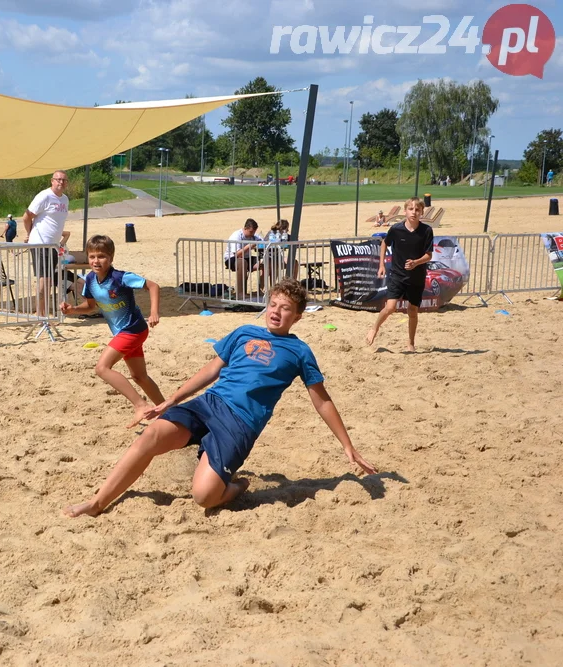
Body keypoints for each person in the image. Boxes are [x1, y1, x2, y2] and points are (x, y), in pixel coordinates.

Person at [64, 278, 377, 518]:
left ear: (297, 317)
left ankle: (236, 484)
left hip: (240, 424)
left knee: (205, 497)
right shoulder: (243, 333)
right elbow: (211, 369)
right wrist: (172, 400)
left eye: (285, 309)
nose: (277, 312)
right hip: (209, 404)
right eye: (274, 304)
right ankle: (97, 501)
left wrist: (347, 445)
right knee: (151, 435)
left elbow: (321, 400)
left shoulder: (299, 352)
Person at [61, 235, 163, 426]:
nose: (96, 261)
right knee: (139, 376)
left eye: (101, 256)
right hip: (124, 332)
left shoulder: (121, 277)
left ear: (111, 258)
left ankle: (140, 405)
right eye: (92, 257)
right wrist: (73, 309)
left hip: (132, 329)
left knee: (102, 368)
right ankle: (168, 410)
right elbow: (90, 306)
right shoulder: (90, 279)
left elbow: (153, 286)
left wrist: (154, 312)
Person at [365, 196, 434, 353]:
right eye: (411, 209)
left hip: (416, 277)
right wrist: (381, 265)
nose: (414, 212)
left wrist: (416, 262)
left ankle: (410, 343)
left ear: (422, 212)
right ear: (405, 211)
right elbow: (384, 243)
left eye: (417, 209)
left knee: (413, 311)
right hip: (397, 274)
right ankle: (374, 328)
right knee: (390, 308)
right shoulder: (396, 229)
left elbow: (429, 255)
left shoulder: (426, 231)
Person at [23, 170, 70, 317]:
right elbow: (26, 216)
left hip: (53, 245)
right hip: (40, 242)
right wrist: (29, 234)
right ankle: (40, 313)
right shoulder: (45, 196)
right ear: (52, 181)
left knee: (49, 279)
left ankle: (43, 311)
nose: (60, 182)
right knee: (44, 279)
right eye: (58, 179)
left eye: (63, 180)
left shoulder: (65, 199)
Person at [223, 218, 263, 298]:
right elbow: (237, 254)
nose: (253, 234)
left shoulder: (254, 236)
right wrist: (248, 246)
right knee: (242, 262)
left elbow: (262, 242)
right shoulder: (236, 236)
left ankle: (261, 290)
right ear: (245, 228)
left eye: (254, 232)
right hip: (232, 258)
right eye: (251, 232)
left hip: (247, 258)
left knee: (265, 262)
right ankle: (240, 293)